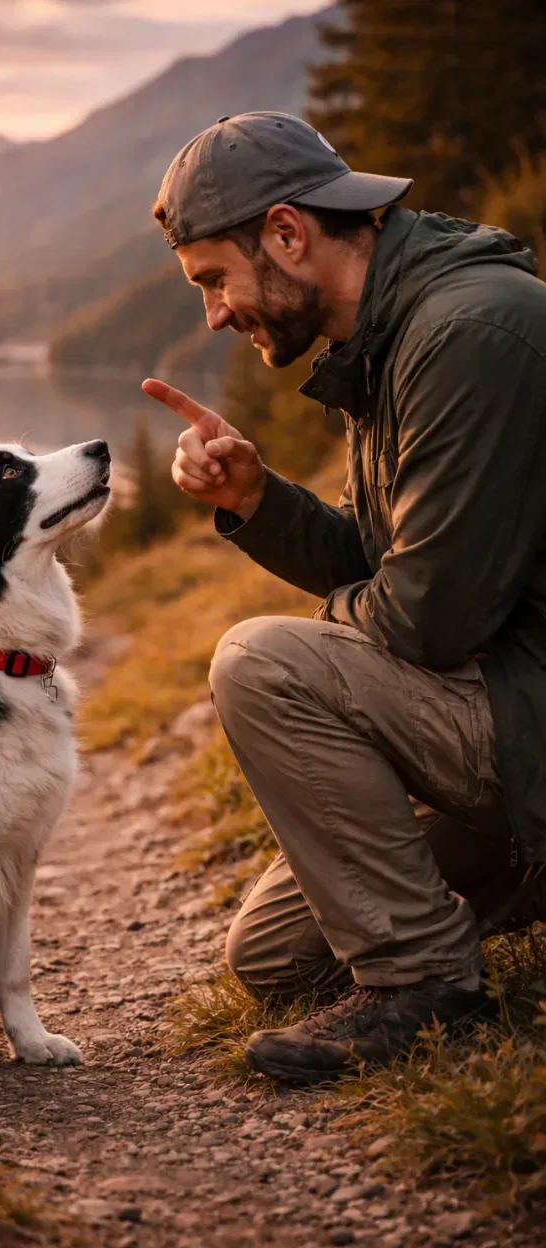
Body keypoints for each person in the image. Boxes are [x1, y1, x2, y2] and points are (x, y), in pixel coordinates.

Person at [142, 111, 546, 1086]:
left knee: (260, 661)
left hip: (524, 700)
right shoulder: (392, 335)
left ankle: (423, 988)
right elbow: (384, 558)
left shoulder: (470, 333)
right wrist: (253, 501)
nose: (212, 313)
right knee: (274, 959)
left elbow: (426, 618)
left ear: (285, 234)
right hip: (508, 697)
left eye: (211, 279)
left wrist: (322, 659)